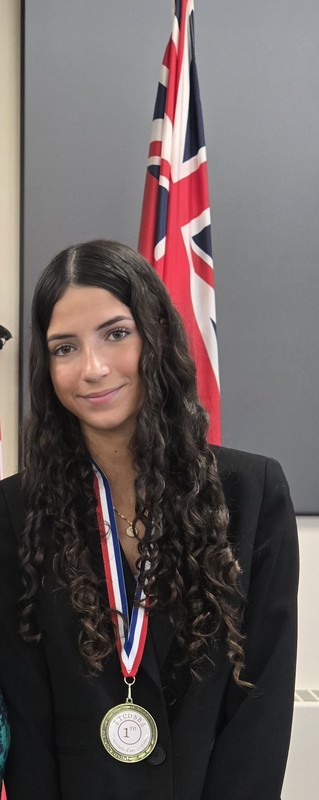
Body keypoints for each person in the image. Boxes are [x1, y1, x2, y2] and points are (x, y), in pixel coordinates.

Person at [0, 240, 298, 800]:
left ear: (157, 334)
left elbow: (261, 705)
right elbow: (28, 722)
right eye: (65, 347)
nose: (93, 368)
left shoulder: (252, 492)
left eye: (116, 334)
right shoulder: (16, 511)